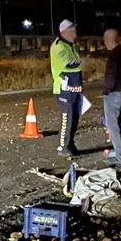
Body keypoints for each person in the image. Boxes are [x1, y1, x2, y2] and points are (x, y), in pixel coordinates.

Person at [50, 19, 83, 157]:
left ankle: (70, 144)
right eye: (73, 29)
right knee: (67, 119)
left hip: (74, 88)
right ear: (65, 31)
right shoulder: (58, 46)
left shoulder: (72, 45)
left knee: (74, 119)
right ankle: (63, 147)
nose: (75, 32)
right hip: (64, 89)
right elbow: (69, 65)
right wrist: (83, 64)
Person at [101, 28, 121, 166]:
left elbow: (111, 76)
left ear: (108, 40)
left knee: (114, 127)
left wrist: (106, 91)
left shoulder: (114, 55)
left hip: (114, 93)